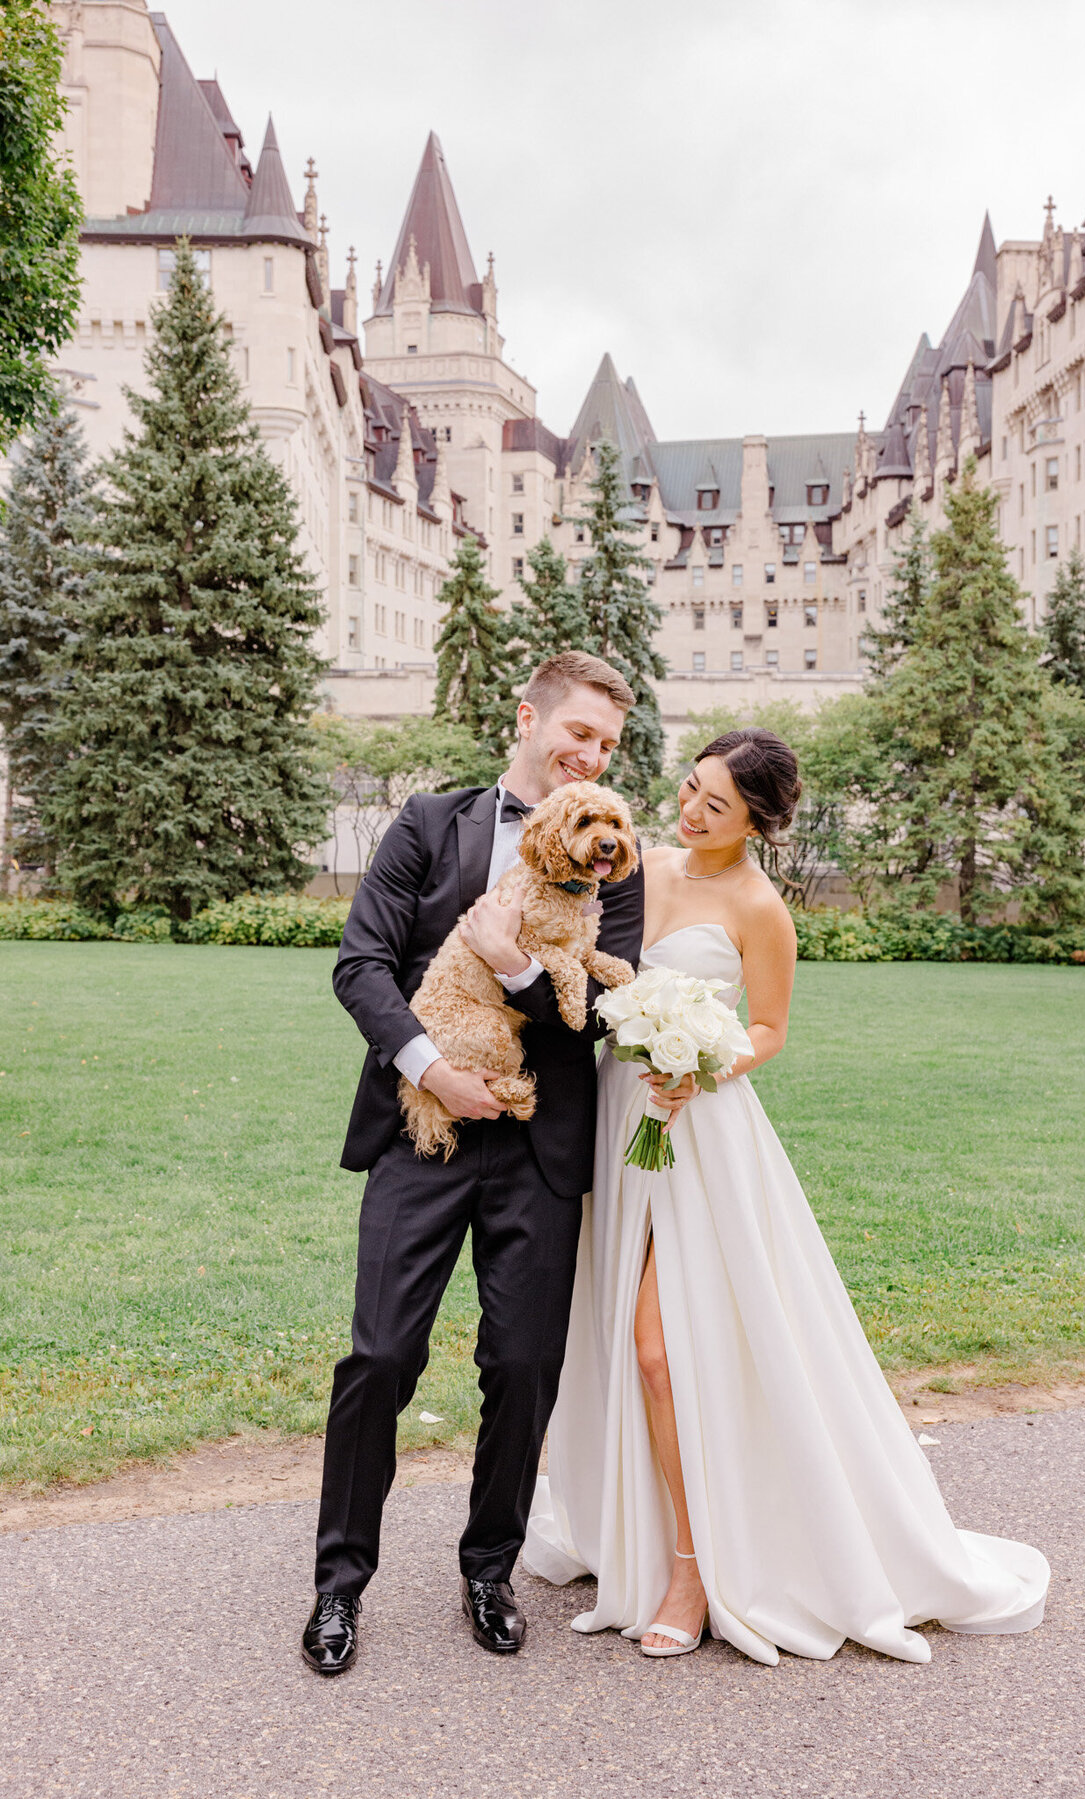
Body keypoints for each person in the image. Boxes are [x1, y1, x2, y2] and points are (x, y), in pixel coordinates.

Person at [520, 727, 1051, 1665]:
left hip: (698, 1131)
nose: (689, 812)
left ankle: (692, 1569)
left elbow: (768, 1027)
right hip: (615, 1117)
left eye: (715, 805)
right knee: (610, 1336)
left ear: (757, 824)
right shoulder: (635, 863)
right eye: (688, 790)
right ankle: (633, 1532)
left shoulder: (762, 907)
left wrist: (700, 1057)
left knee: (660, 1351)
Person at [301, 651, 683, 1677]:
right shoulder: (430, 823)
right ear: (530, 717)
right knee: (379, 1356)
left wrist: (518, 967)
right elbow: (361, 963)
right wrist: (431, 1065)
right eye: (579, 734)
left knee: (522, 1367)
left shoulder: (616, 861)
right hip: (422, 1129)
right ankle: (339, 1584)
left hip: (542, 1145)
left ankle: (489, 1566)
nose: (592, 755)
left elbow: (606, 1006)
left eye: (607, 744)